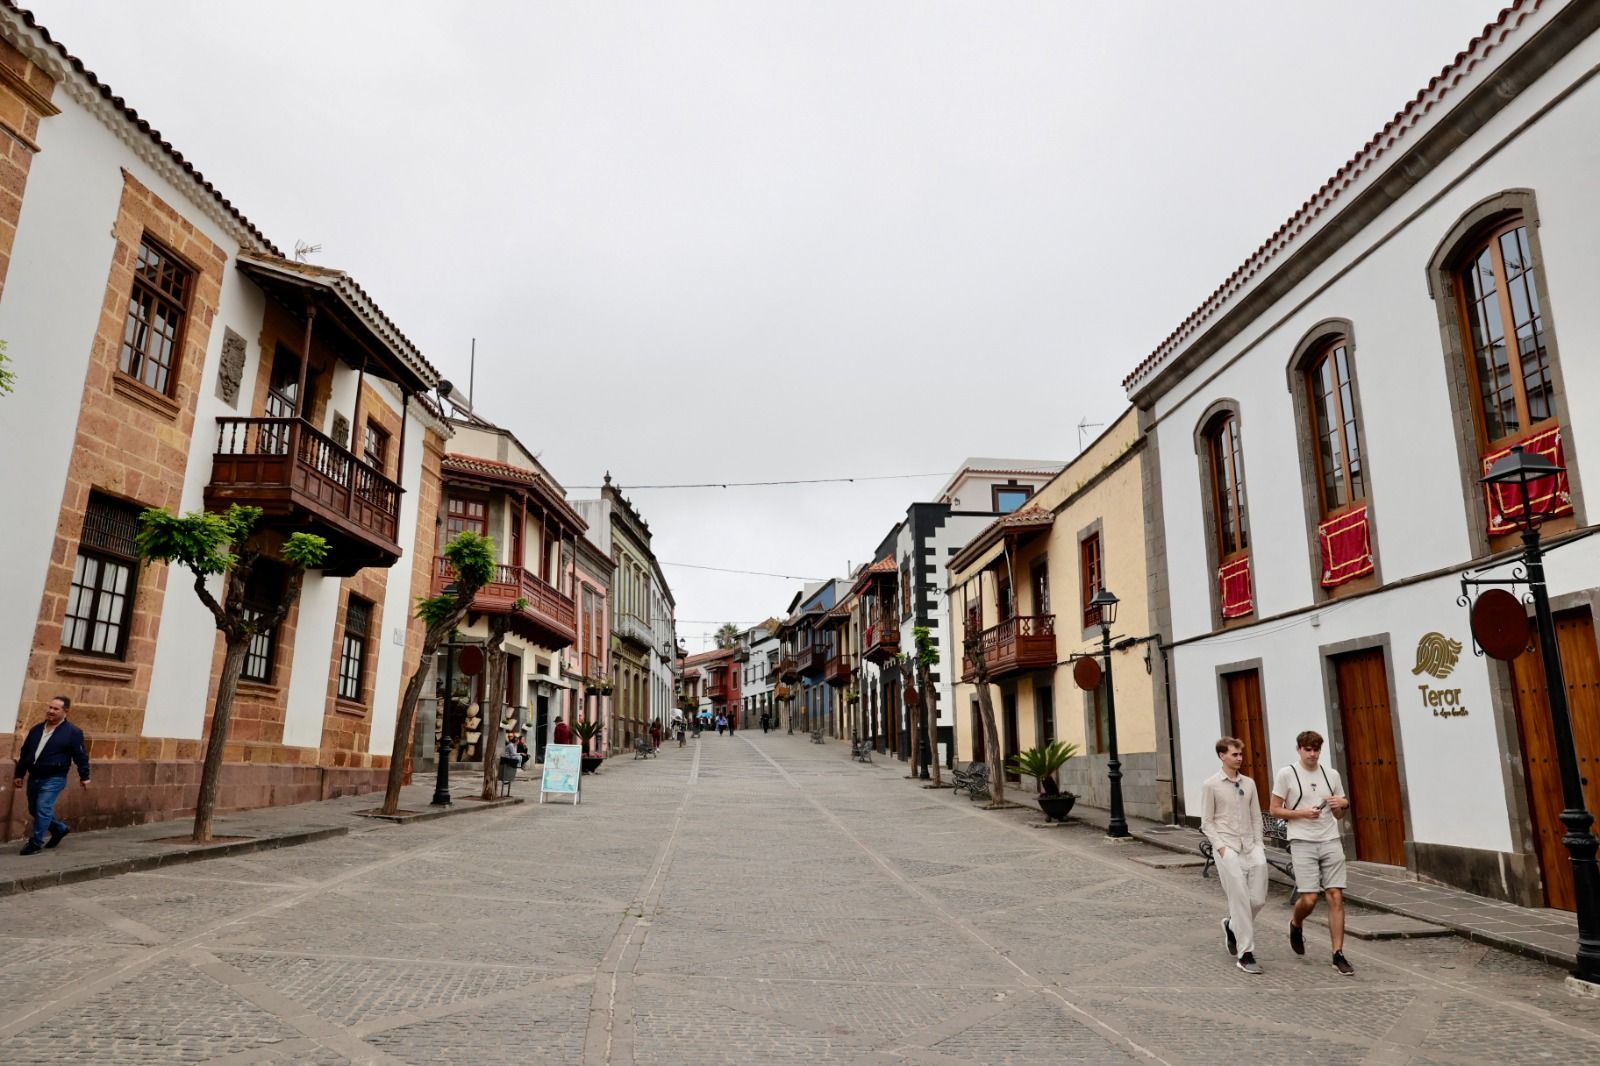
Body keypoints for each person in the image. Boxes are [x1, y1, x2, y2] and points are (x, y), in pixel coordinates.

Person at [1270, 730, 1354, 976]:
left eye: (1316, 749)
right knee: (1309, 899)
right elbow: (1274, 810)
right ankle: (1296, 924)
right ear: (1299, 749)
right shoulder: (1288, 774)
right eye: (1308, 749)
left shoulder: (1331, 775)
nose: (1312, 754)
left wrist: (1344, 805)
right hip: (1302, 840)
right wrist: (1301, 814)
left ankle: (1337, 954)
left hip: (1330, 839)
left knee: (1336, 895)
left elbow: (1339, 814)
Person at [1200, 736, 1267, 975]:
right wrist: (1221, 848)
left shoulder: (1249, 783)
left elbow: (1257, 816)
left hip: (1251, 847)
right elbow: (1206, 822)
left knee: (1257, 899)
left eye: (1240, 754)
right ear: (1222, 756)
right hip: (1227, 848)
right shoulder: (1211, 785)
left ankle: (1231, 924)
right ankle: (1245, 953)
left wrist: (1259, 844)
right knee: (1238, 897)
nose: (1239, 758)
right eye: (1234, 754)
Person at [12, 695, 91, 855]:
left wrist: (84, 776)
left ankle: (35, 842)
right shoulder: (36, 729)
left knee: (43, 808)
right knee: (34, 809)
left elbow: (80, 756)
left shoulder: (73, 732)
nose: (51, 711)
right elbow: (25, 752)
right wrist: (19, 774)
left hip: (54, 777)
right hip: (34, 776)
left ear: (65, 711)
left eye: (56, 709)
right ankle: (60, 829)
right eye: (50, 708)